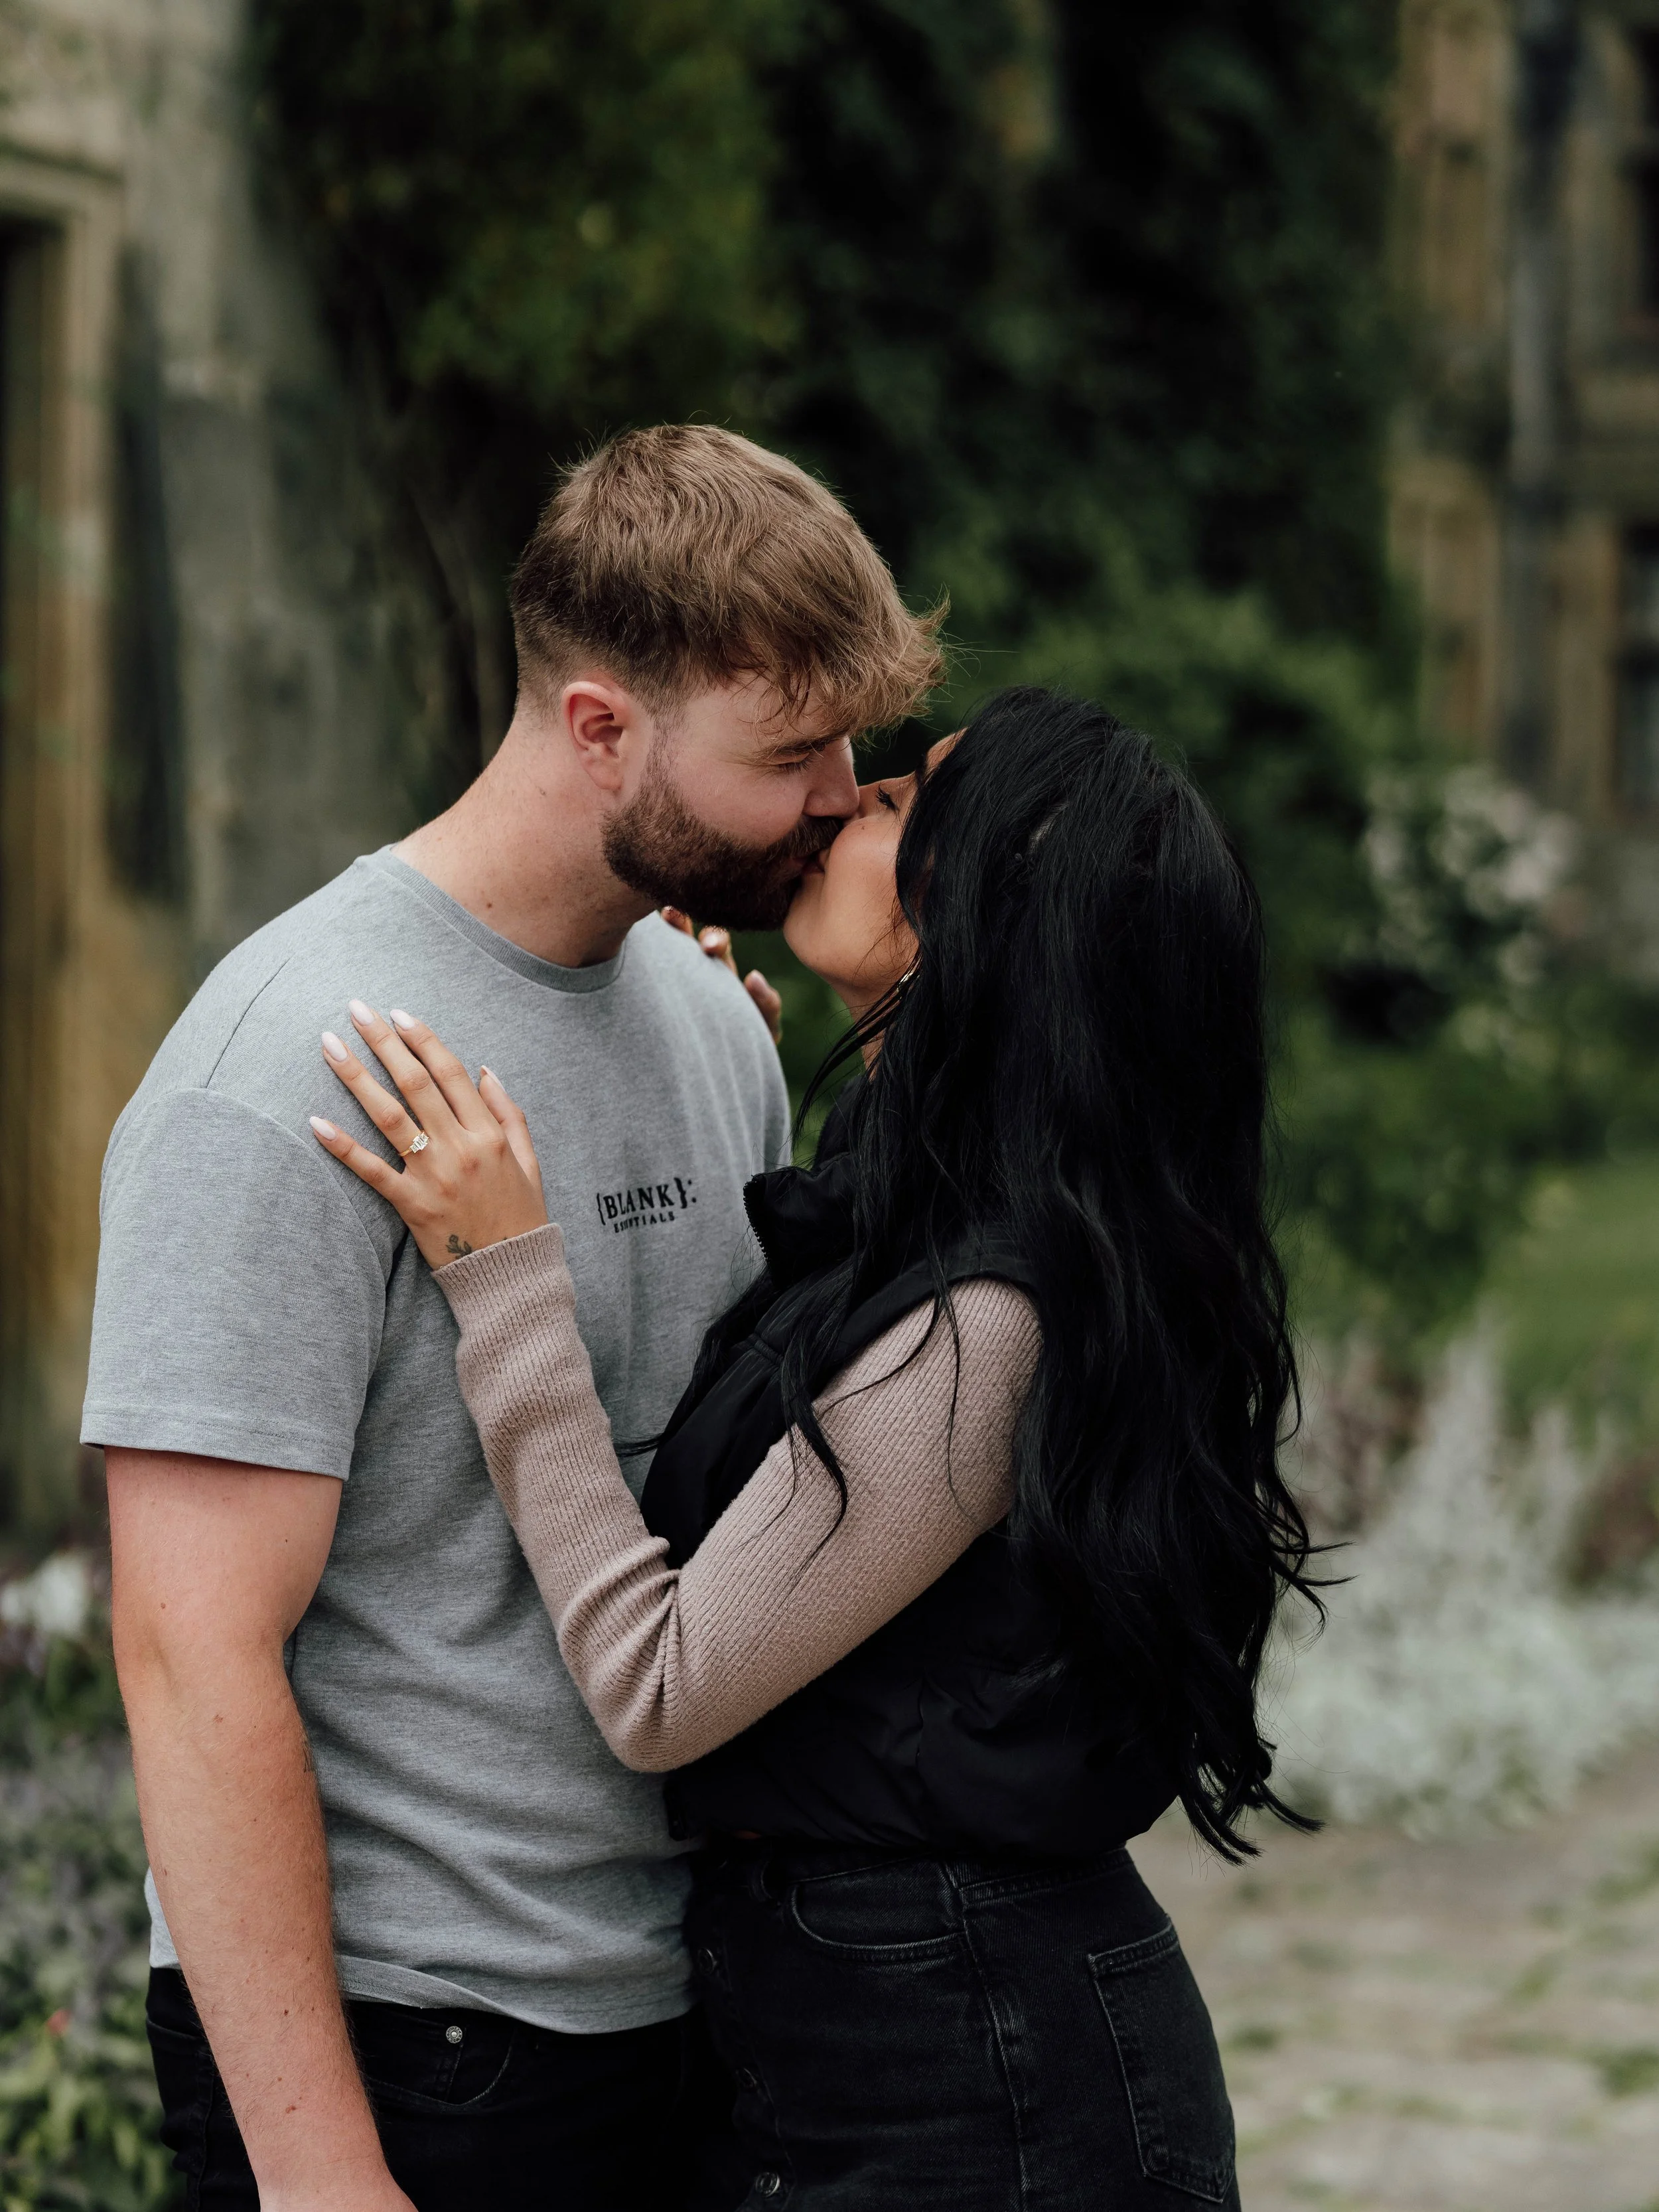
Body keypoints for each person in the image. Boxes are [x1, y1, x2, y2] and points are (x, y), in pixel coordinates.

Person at [305, 686, 1321, 2210]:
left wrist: (502, 1280)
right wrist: (713, 1098)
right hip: (867, 2049)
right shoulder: (937, 1215)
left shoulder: (991, 1320)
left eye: (906, 801)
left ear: (985, 912)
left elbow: (663, 1687)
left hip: (990, 2098)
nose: (845, 803)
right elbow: (795, 1468)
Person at [84, 424, 942, 2212]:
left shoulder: (712, 1026)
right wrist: (326, 2180)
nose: (842, 799)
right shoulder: (284, 1067)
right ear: (597, 726)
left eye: (849, 748)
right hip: (415, 2047)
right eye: (790, 751)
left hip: (682, 2013)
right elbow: (189, 1657)